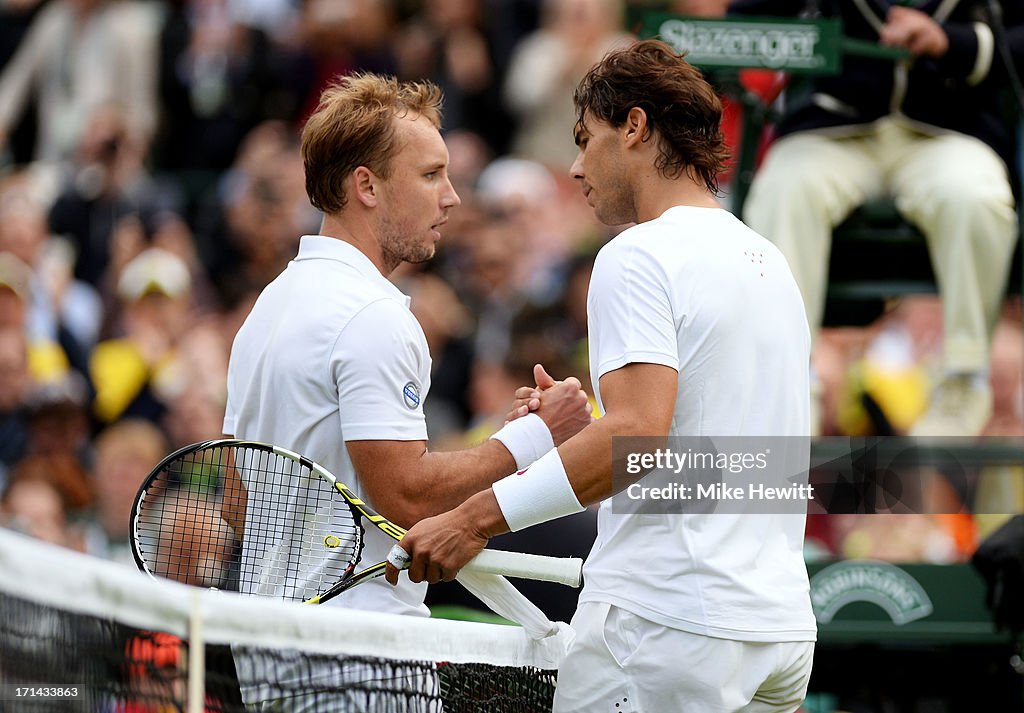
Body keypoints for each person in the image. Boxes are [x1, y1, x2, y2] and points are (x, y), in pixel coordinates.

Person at [386, 40, 817, 713]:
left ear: (636, 128)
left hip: (669, 628)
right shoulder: (770, 261)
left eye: (587, 139)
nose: (576, 166)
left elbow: (642, 436)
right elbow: (700, 447)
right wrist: (578, 432)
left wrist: (472, 519)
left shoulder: (637, 253)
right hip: (779, 633)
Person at [222, 72, 592, 617]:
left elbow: (237, 500)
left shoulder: (269, 306)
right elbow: (408, 496)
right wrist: (539, 435)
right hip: (357, 648)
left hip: (270, 637)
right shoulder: (372, 314)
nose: (452, 197)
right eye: (430, 175)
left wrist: (508, 437)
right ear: (367, 187)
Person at [729, 0, 1023, 437]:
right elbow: (744, 23)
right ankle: (786, 386)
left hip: (951, 128)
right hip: (833, 127)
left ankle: (964, 381)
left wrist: (952, 42)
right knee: (785, 191)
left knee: (975, 197)